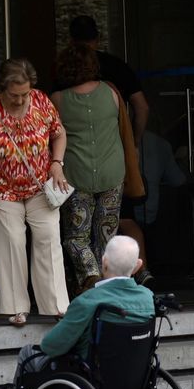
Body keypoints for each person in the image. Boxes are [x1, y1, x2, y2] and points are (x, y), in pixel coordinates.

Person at [0, 236, 154, 389]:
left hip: (89, 379)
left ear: (104, 262)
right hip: (133, 381)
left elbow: (51, 346)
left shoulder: (88, 301)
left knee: (29, 353)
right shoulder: (147, 298)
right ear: (138, 266)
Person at [0, 58, 71, 326]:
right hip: (1, 188)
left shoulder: (41, 101)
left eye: (25, 93)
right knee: (11, 242)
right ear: (3, 88)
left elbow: (59, 134)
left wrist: (57, 164)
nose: (21, 100)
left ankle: (56, 305)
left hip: (39, 187)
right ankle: (17, 308)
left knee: (48, 238)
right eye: (14, 95)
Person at [51, 44, 127, 294]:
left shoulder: (58, 100)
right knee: (107, 234)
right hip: (112, 172)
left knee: (76, 236)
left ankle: (91, 277)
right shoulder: (112, 92)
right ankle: (107, 286)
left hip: (75, 175)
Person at [123, 128, 187, 286]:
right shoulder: (162, 144)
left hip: (131, 208)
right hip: (153, 212)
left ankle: (134, 273)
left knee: (123, 221)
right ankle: (143, 271)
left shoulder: (120, 138)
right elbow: (178, 179)